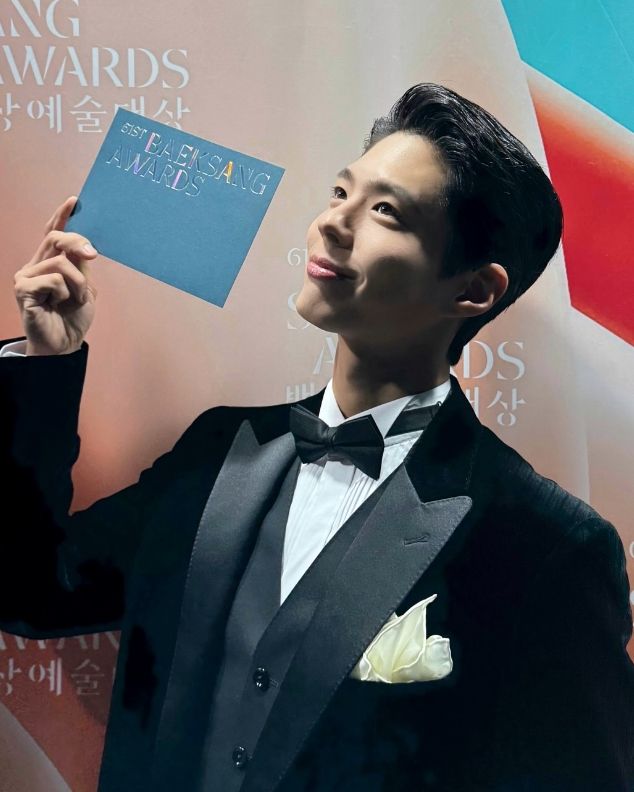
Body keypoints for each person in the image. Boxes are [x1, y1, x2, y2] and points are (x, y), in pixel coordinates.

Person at [1, 83, 632, 792]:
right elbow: (29, 591)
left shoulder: (546, 546)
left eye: (386, 212)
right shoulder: (219, 449)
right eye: (340, 193)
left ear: (474, 291)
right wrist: (45, 365)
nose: (333, 223)